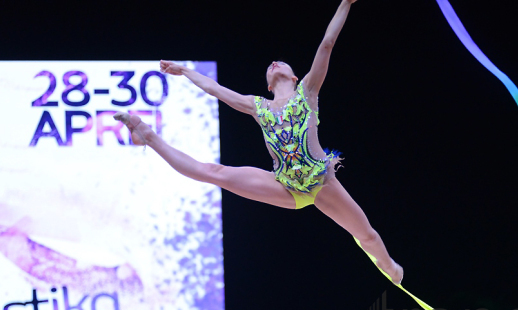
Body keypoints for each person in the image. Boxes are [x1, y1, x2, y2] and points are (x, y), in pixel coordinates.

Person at [113, 0, 404, 285]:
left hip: (321, 182)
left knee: (366, 235)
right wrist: (186, 71)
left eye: (280, 62)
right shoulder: (258, 106)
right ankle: (147, 136)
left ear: (293, 75)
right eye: (269, 65)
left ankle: (391, 268)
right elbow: (216, 89)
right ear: (268, 84)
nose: (274, 62)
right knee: (214, 173)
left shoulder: (307, 91)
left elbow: (327, 43)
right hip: (285, 187)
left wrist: (346, 3)